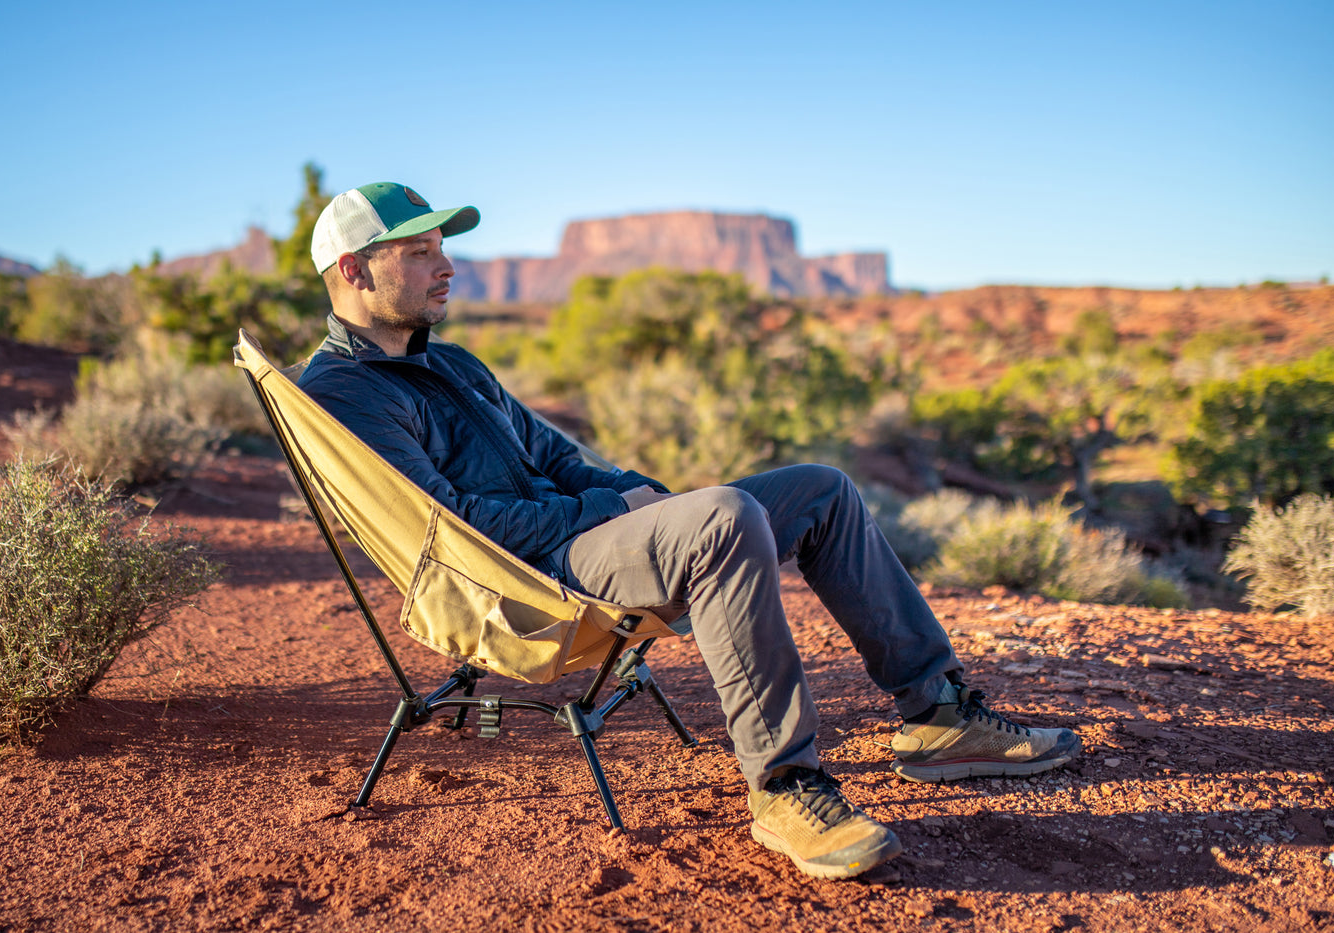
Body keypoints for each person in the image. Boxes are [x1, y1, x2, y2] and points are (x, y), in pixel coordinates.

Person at [298, 182, 1082, 881]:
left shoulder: (455, 364)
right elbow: (454, 530)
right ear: (353, 271)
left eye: (442, 247)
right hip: (520, 583)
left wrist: (649, 499)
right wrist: (620, 512)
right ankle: (785, 787)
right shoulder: (343, 392)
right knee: (722, 518)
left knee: (821, 489)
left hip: (579, 544)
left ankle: (938, 714)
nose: (446, 266)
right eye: (419, 252)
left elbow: (561, 460)